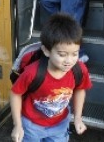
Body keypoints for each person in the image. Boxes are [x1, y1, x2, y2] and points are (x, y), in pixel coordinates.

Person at [10, 13, 92, 142]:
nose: (69, 61)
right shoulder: (33, 72)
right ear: (46, 51)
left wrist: (77, 118)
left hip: (60, 125)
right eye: (62, 54)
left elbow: (80, 89)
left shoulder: (79, 70)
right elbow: (16, 94)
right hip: (32, 125)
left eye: (75, 54)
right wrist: (18, 125)